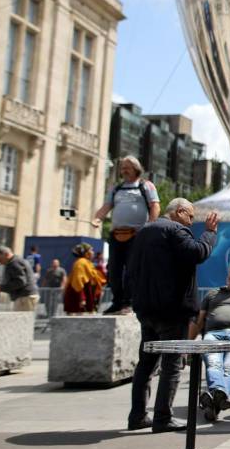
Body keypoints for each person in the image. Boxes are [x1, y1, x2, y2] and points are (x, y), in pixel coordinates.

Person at [126, 198, 219, 433]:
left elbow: (129, 270)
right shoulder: (175, 230)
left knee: (146, 363)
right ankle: (163, 417)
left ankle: (137, 416)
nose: (191, 222)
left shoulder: (144, 232)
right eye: (190, 217)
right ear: (179, 212)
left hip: (145, 308)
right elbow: (197, 253)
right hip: (171, 309)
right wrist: (208, 233)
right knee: (172, 364)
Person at [93, 156, 160, 314]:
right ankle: (117, 301)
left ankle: (129, 302)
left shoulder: (146, 186)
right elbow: (106, 207)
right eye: (122, 167)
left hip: (136, 235)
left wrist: (150, 225)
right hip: (116, 235)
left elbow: (155, 206)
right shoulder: (116, 189)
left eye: (127, 167)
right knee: (114, 270)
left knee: (132, 270)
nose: (124, 170)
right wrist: (97, 218)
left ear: (136, 168)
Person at [192, 261, 230, 421]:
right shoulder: (213, 293)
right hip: (213, 334)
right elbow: (199, 321)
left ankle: (214, 400)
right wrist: (189, 343)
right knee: (214, 365)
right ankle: (220, 395)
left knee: (229, 368)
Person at [0, 246, 38, 312]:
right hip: (25, 296)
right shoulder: (15, 261)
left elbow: (20, 282)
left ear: (6, 254)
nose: (0, 263)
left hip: (25, 297)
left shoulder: (14, 263)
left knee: (23, 321)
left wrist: (1, 288)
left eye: (0, 260)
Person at [65, 245, 104, 315]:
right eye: (91, 250)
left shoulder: (86, 262)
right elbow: (78, 282)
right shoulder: (81, 263)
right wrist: (82, 298)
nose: (93, 252)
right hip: (79, 302)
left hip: (85, 300)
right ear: (86, 253)